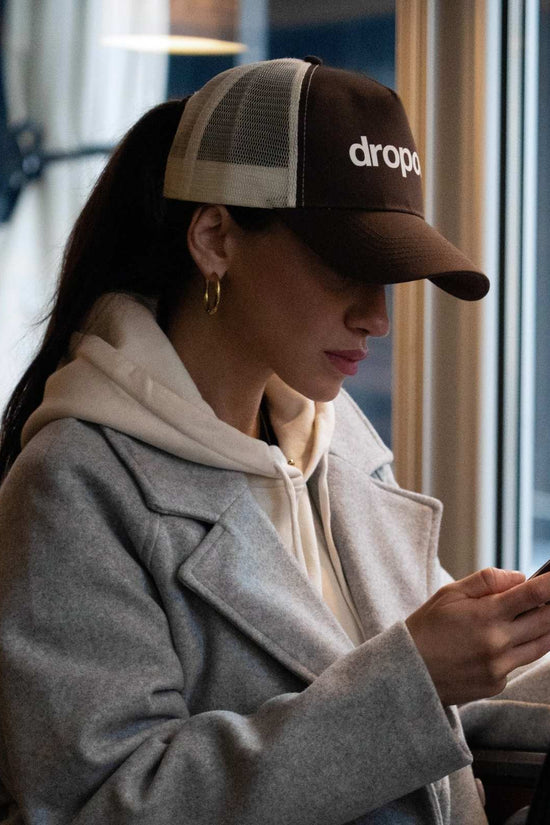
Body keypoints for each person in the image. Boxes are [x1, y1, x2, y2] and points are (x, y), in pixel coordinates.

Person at [0, 55, 550, 825]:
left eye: (390, 274)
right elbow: (99, 804)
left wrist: (509, 636)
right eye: (343, 267)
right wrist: (417, 676)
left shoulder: (334, 438)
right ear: (216, 238)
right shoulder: (75, 485)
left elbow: (453, 712)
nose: (377, 317)